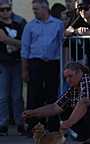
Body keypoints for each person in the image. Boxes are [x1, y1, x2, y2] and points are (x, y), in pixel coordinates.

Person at [21, 0, 64, 136]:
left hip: (52, 63)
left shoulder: (58, 24)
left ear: (45, 8)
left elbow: (63, 45)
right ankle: (32, 126)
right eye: (33, 9)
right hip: (36, 63)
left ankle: (52, 126)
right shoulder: (30, 26)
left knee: (52, 94)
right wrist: (24, 69)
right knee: (34, 95)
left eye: (37, 9)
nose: (34, 12)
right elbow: (25, 49)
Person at [0, 0, 25, 136]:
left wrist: (7, 40)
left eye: (7, 9)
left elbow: (25, 42)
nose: (5, 12)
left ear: (11, 8)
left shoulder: (19, 22)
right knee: (3, 96)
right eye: (1, 10)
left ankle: (20, 123)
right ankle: (3, 124)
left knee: (17, 96)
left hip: (17, 62)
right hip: (2, 63)